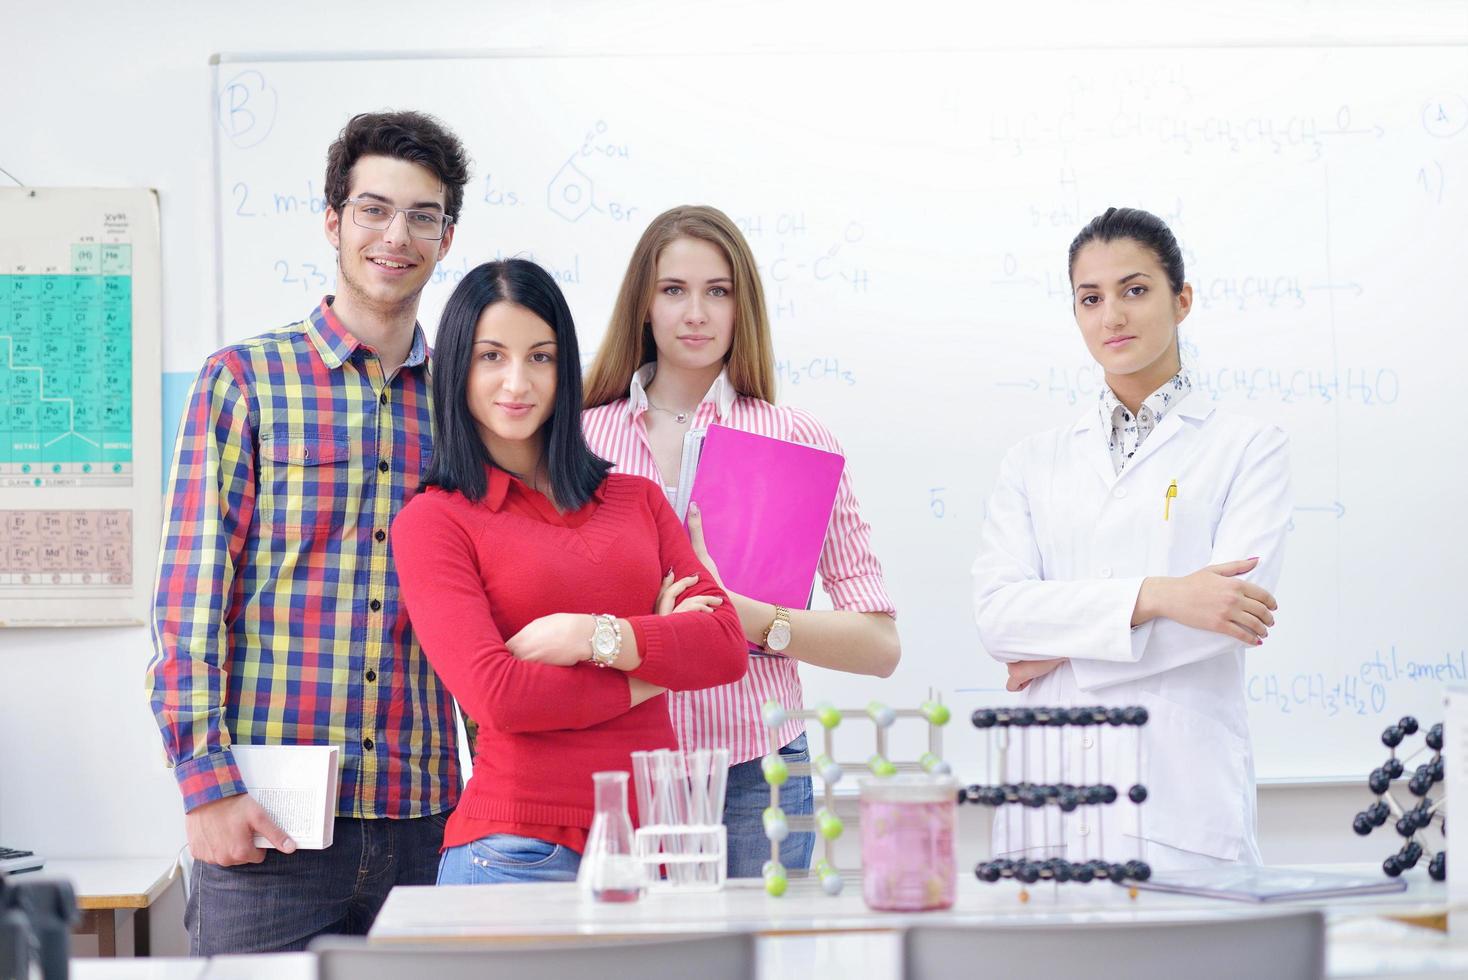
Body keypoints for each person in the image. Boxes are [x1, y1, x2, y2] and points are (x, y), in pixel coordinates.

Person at [146, 110, 470, 952]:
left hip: (427, 824)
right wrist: (205, 786)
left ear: (446, 238)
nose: (395, 236)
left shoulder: (468, 408)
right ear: (333, 222)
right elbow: (188, 607)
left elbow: (488, 613)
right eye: (372, 209)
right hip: (268, 828)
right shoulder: (242, 381)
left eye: (422, 216)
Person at [391, 259, 747, 884]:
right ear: (457, 370)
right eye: (491, 356)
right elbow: (497, 695)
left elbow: (722, 647)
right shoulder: (434, 522)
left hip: (656, 850)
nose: (517, 382)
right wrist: (654, 669)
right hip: (516, 852)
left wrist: (592, 636)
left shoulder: (636, 500)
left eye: (541, 357)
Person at [582, 205, 899, 878]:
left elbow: (879, 646)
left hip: (758, 771)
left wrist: (746, 617)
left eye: (717, 291)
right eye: (674, 290)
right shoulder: (582, 443)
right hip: (615, 765)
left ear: (741, 306)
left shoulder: (794, 439)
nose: (695, 312)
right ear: (644, 303)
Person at [971, 206, 1292, 872]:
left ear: (1182, 299)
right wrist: (1157, 595)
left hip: (1180, 805)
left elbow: (1226, 615)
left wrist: (1059, 651)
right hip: (1050, 797)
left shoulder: (1248, 447)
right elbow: (999, 620)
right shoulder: (1032, 462)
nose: (1112, 314)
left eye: (1135, 289)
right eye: (1091, 298)